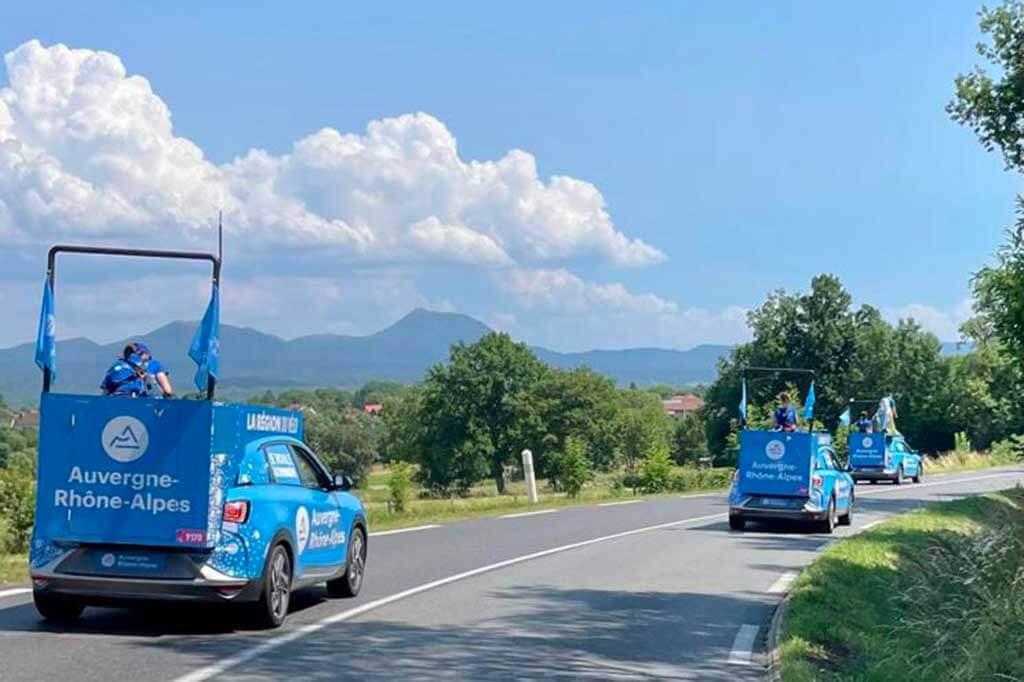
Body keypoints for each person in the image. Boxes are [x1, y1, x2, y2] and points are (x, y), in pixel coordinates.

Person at [100, 342, 174, 398]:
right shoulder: (154, 364)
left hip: (117, 402)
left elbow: (105, 392)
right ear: (145, 354)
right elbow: (168, 391)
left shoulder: (116, 365)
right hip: (143, 403)